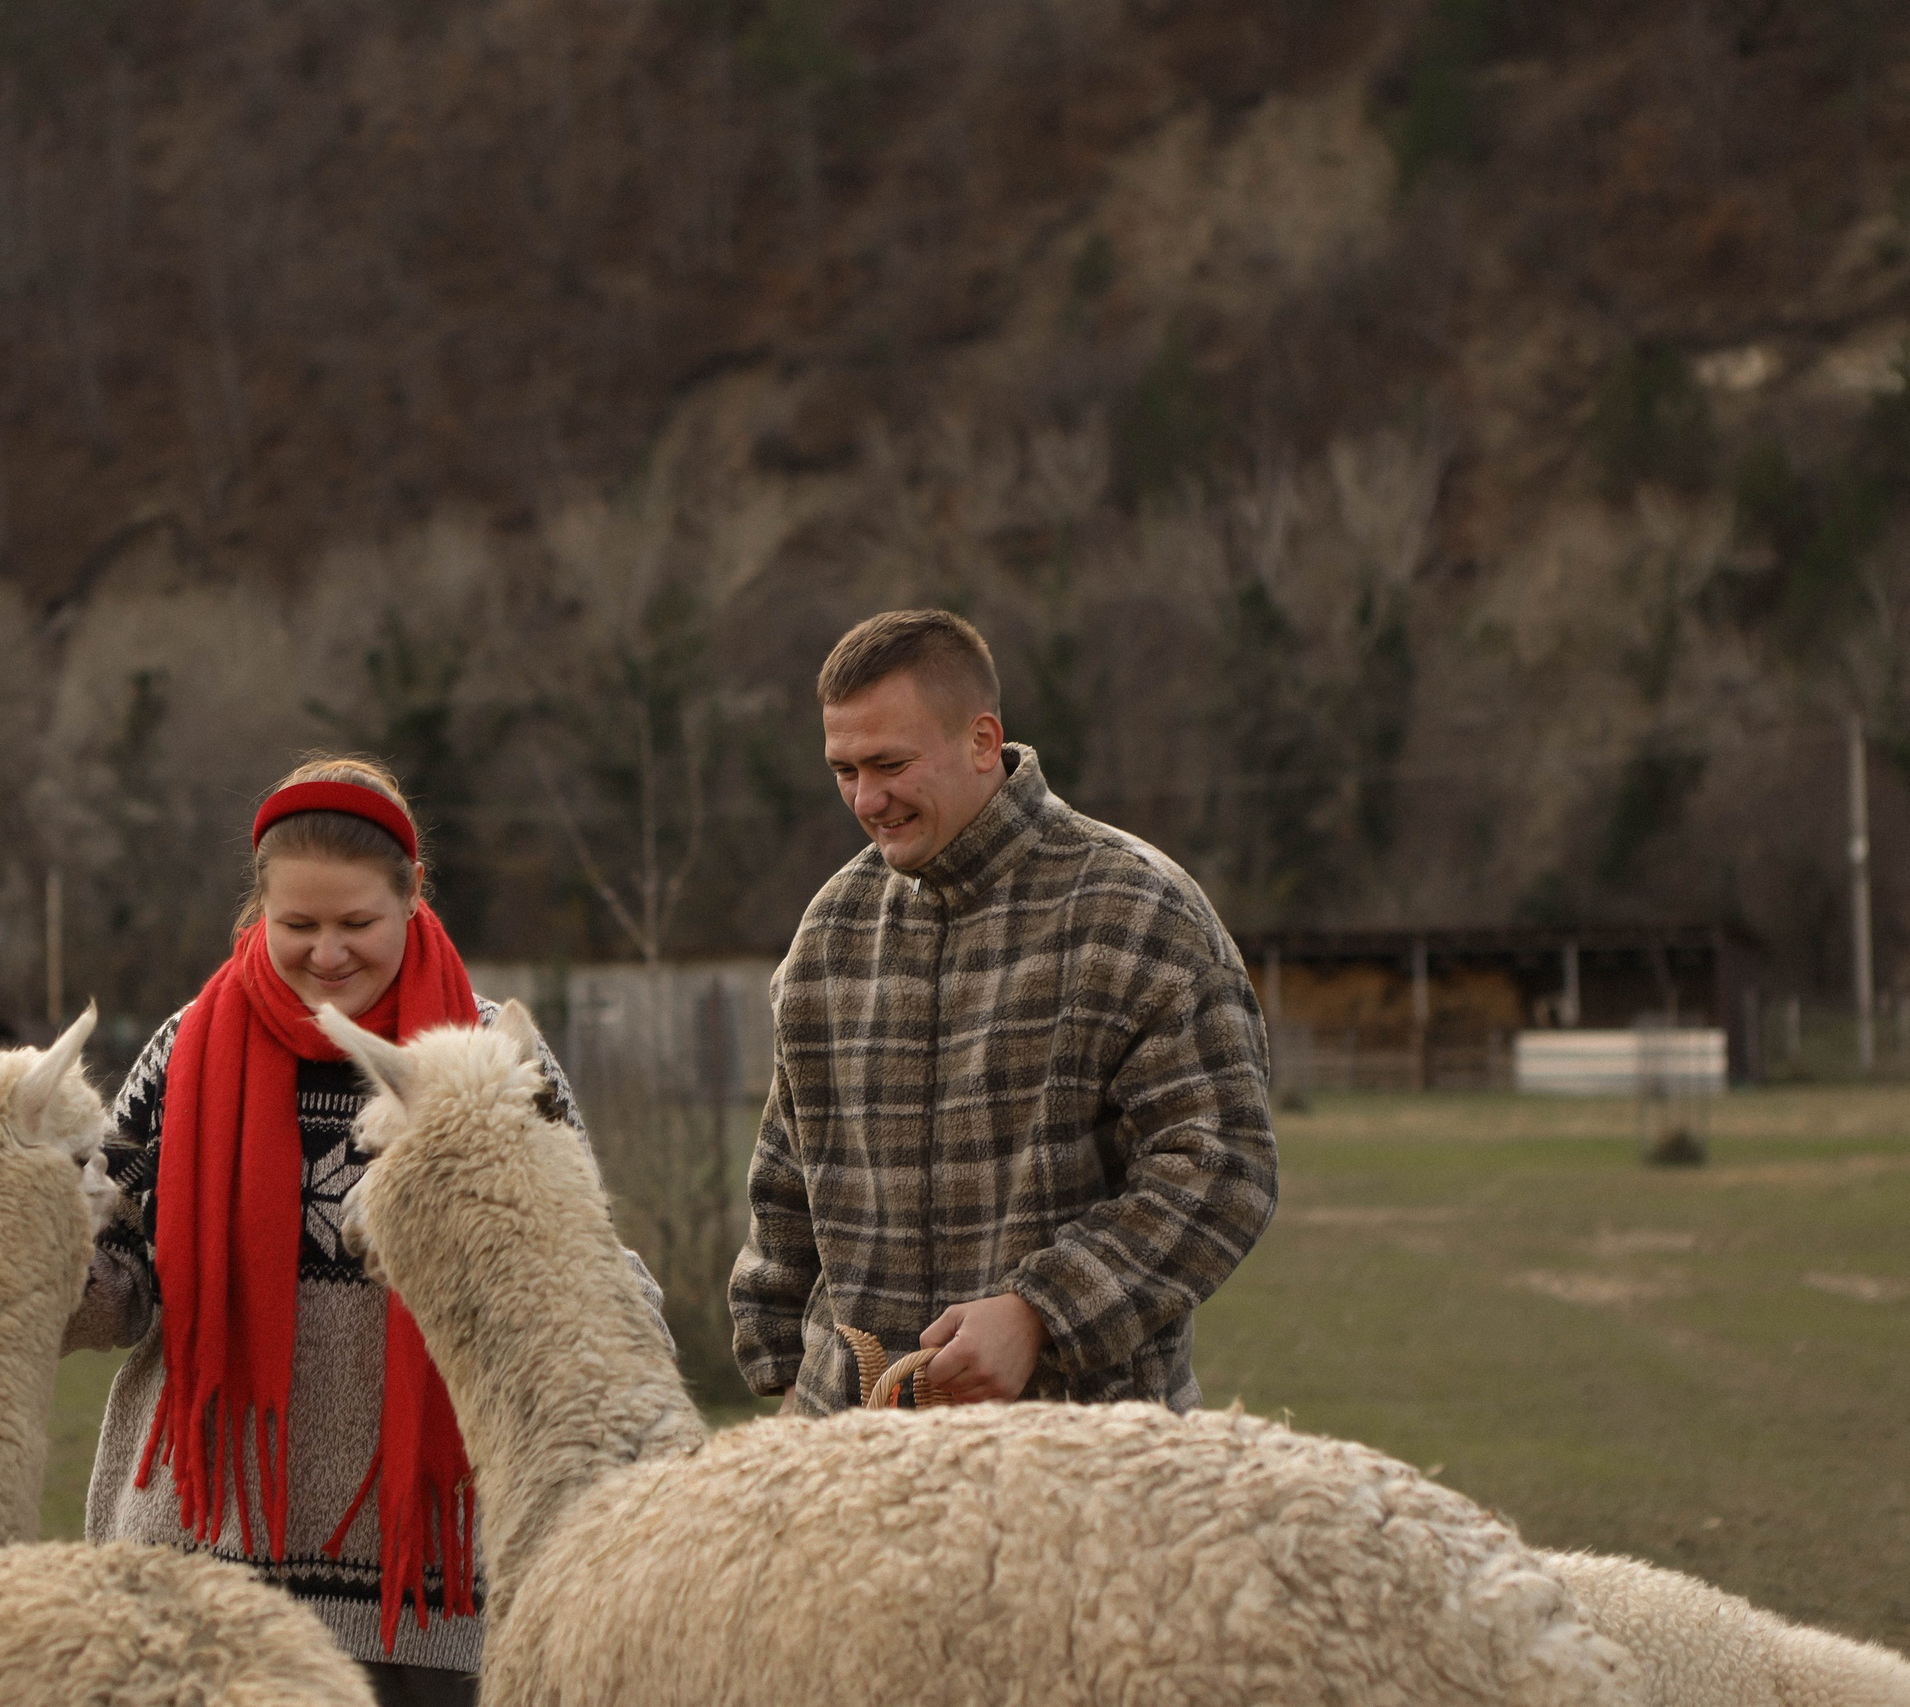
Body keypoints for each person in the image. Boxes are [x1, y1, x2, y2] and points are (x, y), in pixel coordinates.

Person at [66, 755, 661, 1707]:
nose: (327, 952)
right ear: (259, 907)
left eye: (356, 923)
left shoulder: (487, 1056)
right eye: (297, 925)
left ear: (414, 895)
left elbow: (574, 1259)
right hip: (204, 1580)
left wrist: (629, 1343)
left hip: (429, 1597)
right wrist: (26, 1266)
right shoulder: (185, 1049)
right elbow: (119, 1276)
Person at [728, 610, 1277, 1417]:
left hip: (1085, 1466)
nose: (866, 798)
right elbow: (784, 1189)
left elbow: (1223, 1164)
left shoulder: (1136, 911)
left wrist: (1039, 1314)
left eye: (889, 763)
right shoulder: (829, 933)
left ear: (983, 741)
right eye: (843, 769)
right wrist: (784, 1378)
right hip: (850, 1470)